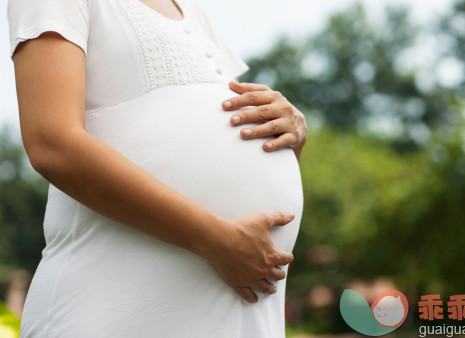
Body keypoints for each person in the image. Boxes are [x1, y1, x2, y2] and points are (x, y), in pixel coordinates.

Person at [7, 0, 308, 336]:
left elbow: (238, 155)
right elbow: (52, 144)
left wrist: (287, 132)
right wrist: (215, 239)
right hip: (115, 307)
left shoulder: (193, 14)